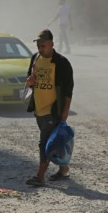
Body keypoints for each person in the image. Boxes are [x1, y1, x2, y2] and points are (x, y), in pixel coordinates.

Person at [25, 29, 74, 187]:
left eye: (43, 45)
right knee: (55, 142)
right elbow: (30, 81)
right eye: (39, 46)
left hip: (53, 110)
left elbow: (68, 89)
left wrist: (65, 110)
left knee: (44, 142)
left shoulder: (61, 63)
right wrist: (30, 82)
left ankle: (40, 176)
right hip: (39, 109)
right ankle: (64, 169)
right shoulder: (35, 59)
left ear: (52, 44)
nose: (40, 49)